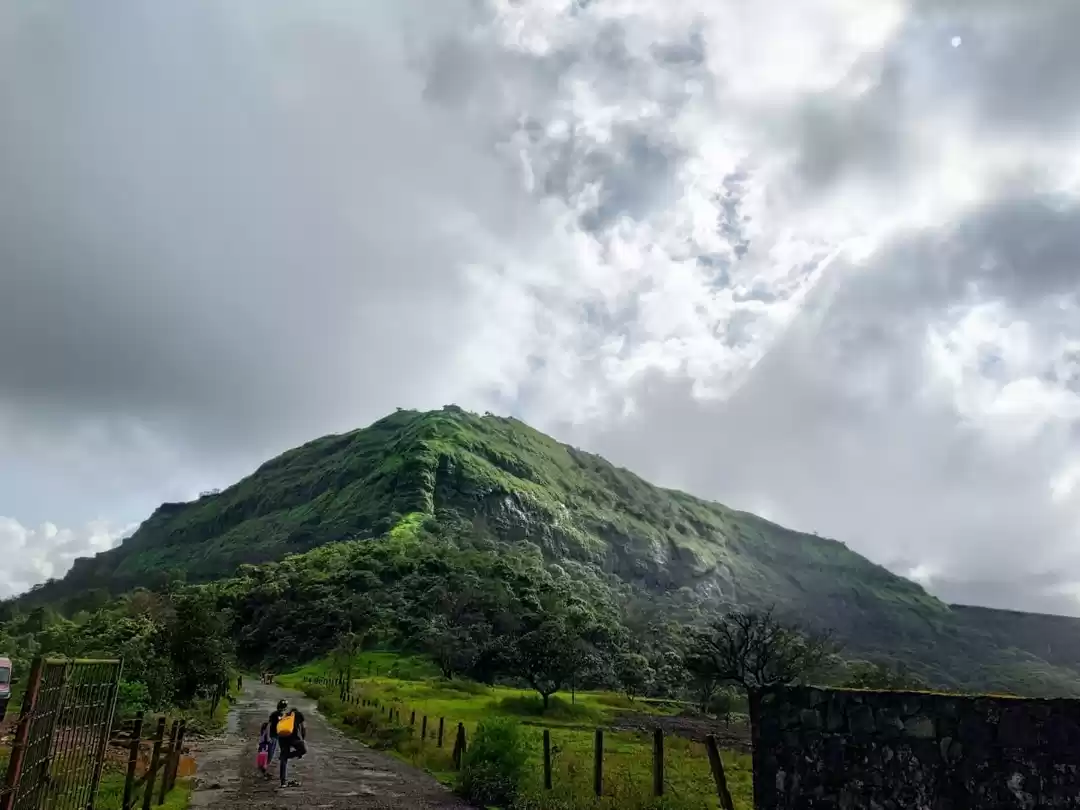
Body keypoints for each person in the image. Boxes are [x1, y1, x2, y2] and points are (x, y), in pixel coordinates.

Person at [268, 698, 306, 788]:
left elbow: (276, 727)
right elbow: (303, 728)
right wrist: (302, 740)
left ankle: (283, 782)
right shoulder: (299, 715)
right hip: (293, 738)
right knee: (303, 750)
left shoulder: (286, 715)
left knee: (284, 758)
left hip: (282, 738)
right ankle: (286, 756)